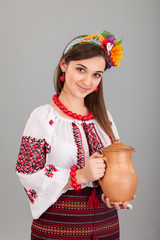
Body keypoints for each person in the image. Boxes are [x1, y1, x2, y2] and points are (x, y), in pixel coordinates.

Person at [16, 30, 135, 240]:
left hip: (107, 225)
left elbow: (115, 166)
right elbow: (27, 171)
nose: (88, 81)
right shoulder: (42, 117)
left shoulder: (104, 118)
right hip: (59, 227)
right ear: (64, 65)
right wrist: (80, 176)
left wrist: (115, 194)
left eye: (96, 74)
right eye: (81, 69)